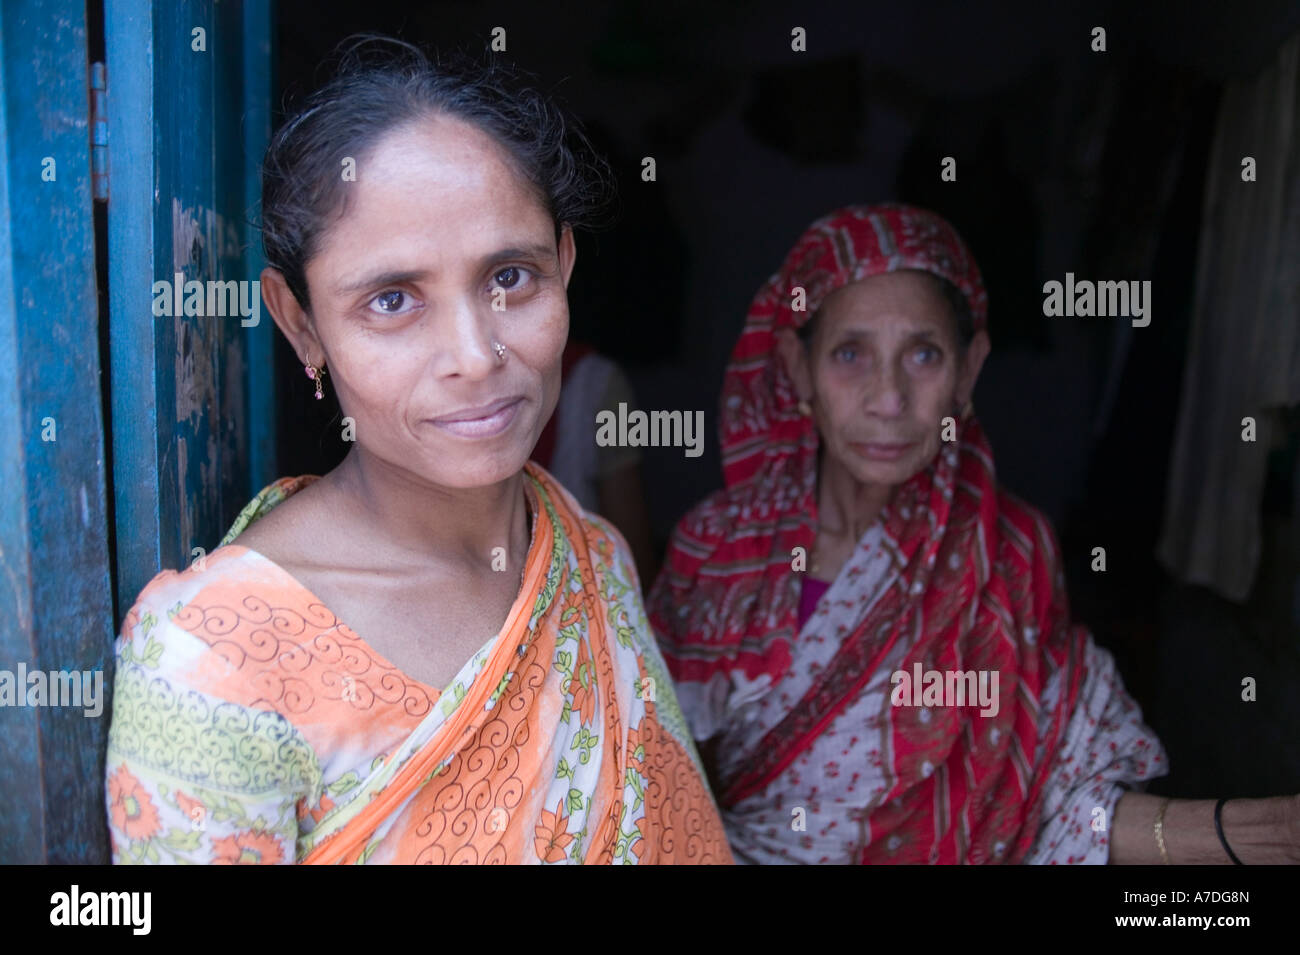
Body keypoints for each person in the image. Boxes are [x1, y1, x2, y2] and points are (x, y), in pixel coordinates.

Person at [103, 37, 731, 865]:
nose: (475, 353)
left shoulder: (590, 557)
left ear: (566, 267)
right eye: (393, 299)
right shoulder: (216, 654)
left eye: (510, 277)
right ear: (300, 324)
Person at [647, 203, 1300, 864]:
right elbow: (654, 786)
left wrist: (1261, 833)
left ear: (968, 369)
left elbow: (1060, 799)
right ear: (796, 366)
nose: (889, 397)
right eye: (851, 353)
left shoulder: (1009, 552)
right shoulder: (717, 548)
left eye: (923, 354)